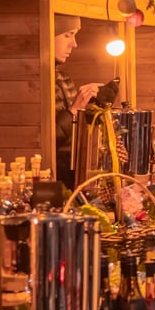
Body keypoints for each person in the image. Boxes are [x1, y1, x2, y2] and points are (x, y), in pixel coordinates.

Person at [53, 14, 104, 190]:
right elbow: (45, 140)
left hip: (71, 179)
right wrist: (74, 109)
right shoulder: (36, 82)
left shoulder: (63, 77)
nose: (74, 44)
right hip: (54, 180)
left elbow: (73, 133)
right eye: (67, 35)